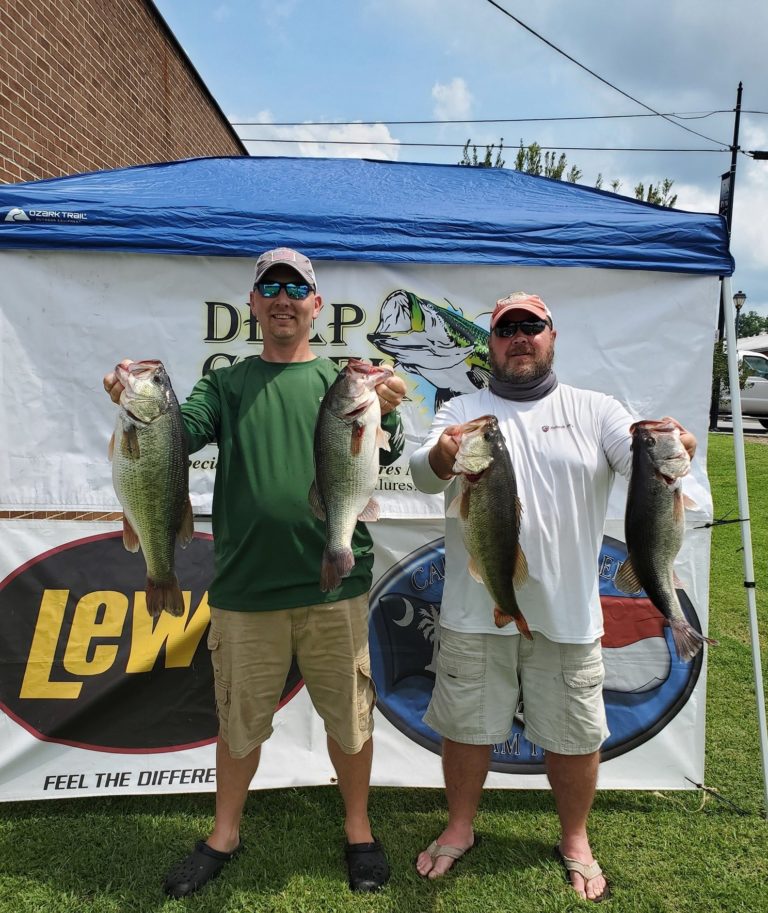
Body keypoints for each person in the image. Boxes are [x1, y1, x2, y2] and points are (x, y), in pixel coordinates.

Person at [103, 247, 406, 898]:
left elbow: (391, 446)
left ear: (316, 305)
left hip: (338, 585)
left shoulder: (342, 379)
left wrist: (395, 406)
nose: (283, 296)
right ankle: (224, 833)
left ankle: (358, 829)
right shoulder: (228, 384)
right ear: (254, 305)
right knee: (239, 722)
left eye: (297, 286)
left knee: (349, 718)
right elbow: (178, 429)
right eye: (270, 285)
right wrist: (133, 402)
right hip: (245, 590)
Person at [409, 291, 696, 902]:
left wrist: (676, 448)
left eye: (530, 327)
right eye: (505, 328)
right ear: (489, 343)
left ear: (552, 335)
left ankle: (575, 838)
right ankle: (459, 827)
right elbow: (423, 472)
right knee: (466, 728)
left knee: (574, 735)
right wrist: (443, 449)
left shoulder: (597, 410)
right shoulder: (463, 407)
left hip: (568, 613)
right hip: (474, 607)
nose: (519, 338)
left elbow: (637, 457)